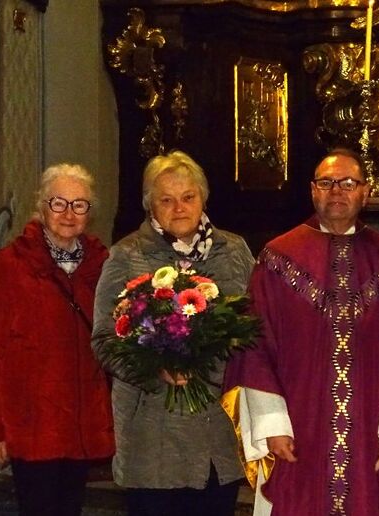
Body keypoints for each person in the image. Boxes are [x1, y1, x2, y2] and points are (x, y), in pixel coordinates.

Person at [223, 148, 379, 516]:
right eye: (326, 182)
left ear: (365, 192)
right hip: (297, 426)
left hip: (372, 426)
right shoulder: (276, 259)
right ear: (312, 191)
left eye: (348, 183)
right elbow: (255, 348)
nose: (336, 191)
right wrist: (271, 424)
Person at [91, 150, 254, 516]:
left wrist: (219, 362)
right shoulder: (127, 254)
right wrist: (154, 368)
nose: (179, 208)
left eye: (188, 197)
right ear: (150, 204)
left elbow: (255, 325)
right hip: (152, 436)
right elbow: (104, 340)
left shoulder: (234, 251)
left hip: (216, 433)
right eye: (166, 200)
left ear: (203, 199)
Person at [0, 163, 114, 516]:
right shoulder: (10, 265)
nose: (68, 214)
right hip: (32, 425)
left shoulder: (103, 265)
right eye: (59, 203)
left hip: (82, 424)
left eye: (79, 205)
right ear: (42, 206)